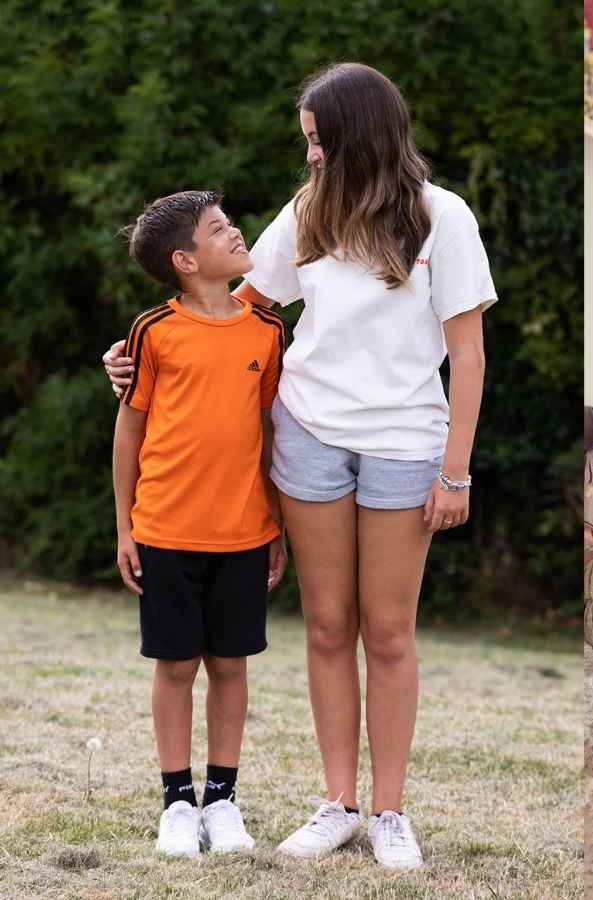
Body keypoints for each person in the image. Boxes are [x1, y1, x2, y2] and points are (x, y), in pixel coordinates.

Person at [102, 63, 496, 869]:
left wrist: (455, 471)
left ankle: (389, 812)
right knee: (325, 626)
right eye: (308, 142)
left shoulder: (442, 218)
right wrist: (145, 355)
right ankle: (338, 804)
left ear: (358, 134)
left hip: (403, 445)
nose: (311, 156)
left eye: (318, 140)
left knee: (389, 632)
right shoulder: (308, 209)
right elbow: (239, 304)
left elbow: (468, 353)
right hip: (309, 435)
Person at [113, 191, 286, 859]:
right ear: (185, 260)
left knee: (230, 665)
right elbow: (129, 430)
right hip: (164, 530)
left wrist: (275, 524)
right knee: (177, 665)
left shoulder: (266, 331)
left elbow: (269, 432)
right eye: (219, 229)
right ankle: (177, 803)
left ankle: (222, 800)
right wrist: (125, 529)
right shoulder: (153, 331)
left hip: (243, 533)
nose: (236, 232)